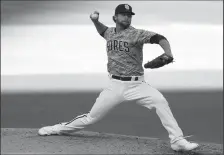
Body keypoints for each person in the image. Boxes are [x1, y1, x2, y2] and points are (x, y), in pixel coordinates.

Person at [38, 4, 199, 152]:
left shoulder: (136, 34)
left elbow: (160, 38)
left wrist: (168, 53)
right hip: (115, 85)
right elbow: (102, 31)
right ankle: (58, 128)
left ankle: (177, 140)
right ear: (115, 18)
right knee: (91, 118)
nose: (127, 18)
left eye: (129, 15)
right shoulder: (109, 32)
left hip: (138, 85)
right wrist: (95, 21)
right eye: (123, 15)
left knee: (160, 102)